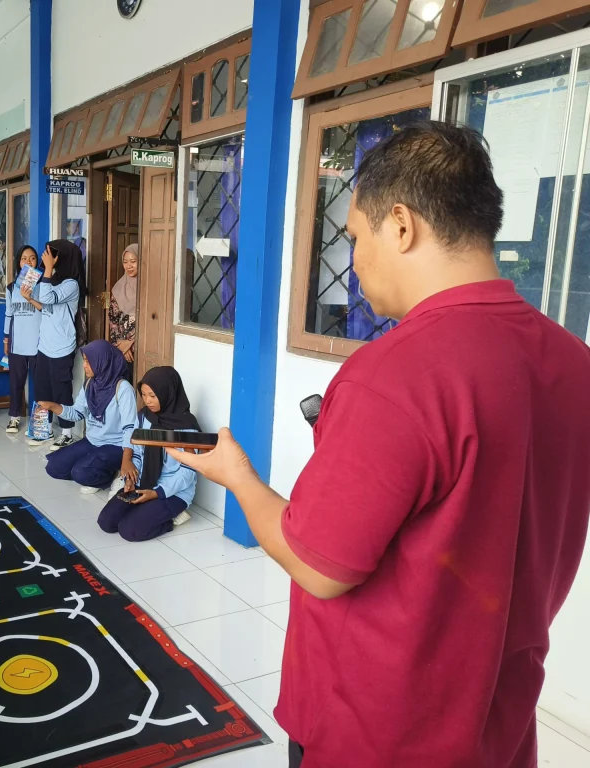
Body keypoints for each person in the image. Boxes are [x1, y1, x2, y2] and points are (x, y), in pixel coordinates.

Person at [169, 122, 590, 768]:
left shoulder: (396, 373)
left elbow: (320, 566)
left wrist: (240, 479)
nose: (355, 261)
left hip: (378, 734)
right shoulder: (573, 362)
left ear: (401, 225)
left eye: (356, 237)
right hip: (497, 724)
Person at [98, 367, 195, 540]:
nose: (147, 401)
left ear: (168, 393)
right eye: (143, 395)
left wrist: (157, 493)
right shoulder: (144, 417)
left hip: (173, 491)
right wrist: (131, 478)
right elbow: (138, 451)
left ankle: (172, 518)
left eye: (152, 395)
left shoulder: (186, 426)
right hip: (144, 482)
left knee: (129, 531)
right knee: (106, 522)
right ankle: (147, 508)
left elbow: (188, 473)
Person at [39, 340, 136, 493]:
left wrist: (126, 460)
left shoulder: (123, 388)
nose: (84, 365)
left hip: (115, 446)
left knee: (79, 472)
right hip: (92, 442)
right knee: (54, 467)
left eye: (88, 361)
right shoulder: (90, 384)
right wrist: (52, 406)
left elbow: (130, 428)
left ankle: (112, 475)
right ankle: (93, 469)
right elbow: (77, 413)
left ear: (102, 362)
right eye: (84, 361)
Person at [23, 239, 85, 450]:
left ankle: (66, 433)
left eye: (52, 255)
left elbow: (49, 297)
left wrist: (48, 269)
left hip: (62, 347)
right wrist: (30, 300)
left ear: (63, 258)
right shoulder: (52, 279)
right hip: (45, 346)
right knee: (42, 388)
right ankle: (43, 429)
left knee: (61, 391)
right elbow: (47, 307)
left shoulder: (71, 284)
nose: (46, 258)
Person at [3, 245, 42, 435]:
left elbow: (47, 310)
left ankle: (40, 421)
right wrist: (6, 339)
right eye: (24, 258)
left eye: (33, 258)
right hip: (17, 344)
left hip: (38, 345)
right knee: (16, 382)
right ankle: (14, 418)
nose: (28, 262)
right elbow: (8, 315)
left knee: (40, 383)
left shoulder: (43, 286)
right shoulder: (11, 288)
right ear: (18, 262)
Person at [109, 243, 139, 382]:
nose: (129, 266)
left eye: (133, 262)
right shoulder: (118, 287)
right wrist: (122, 343)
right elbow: (113, 320)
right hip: (122, 348)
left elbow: (153, 320)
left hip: (142, 346)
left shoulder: (149, 287)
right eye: (125, 262)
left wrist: (132, 342)